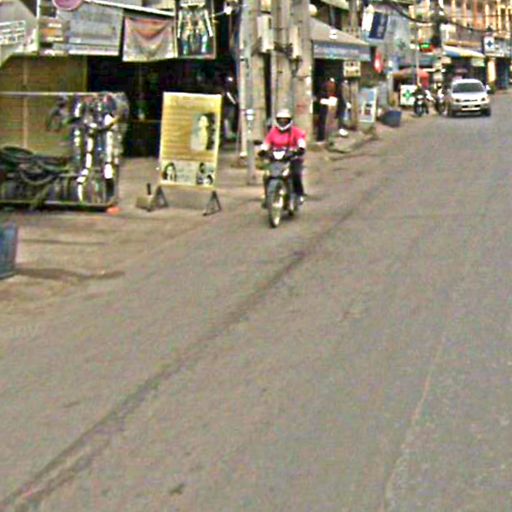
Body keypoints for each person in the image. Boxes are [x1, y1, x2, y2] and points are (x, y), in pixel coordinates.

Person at [258, 108, 307, 203]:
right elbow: (267, 142)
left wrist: (300, 149)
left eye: (285, 120)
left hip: (292, 157)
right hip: (276, 158)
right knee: (267, 175)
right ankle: (267, 194)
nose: (283, 122)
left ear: (289, 121)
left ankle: (299, 194)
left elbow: (301, 141)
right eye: (280, 120)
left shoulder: (295, 131)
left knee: (296, 174)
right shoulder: (273, 132)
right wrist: (263, 150)